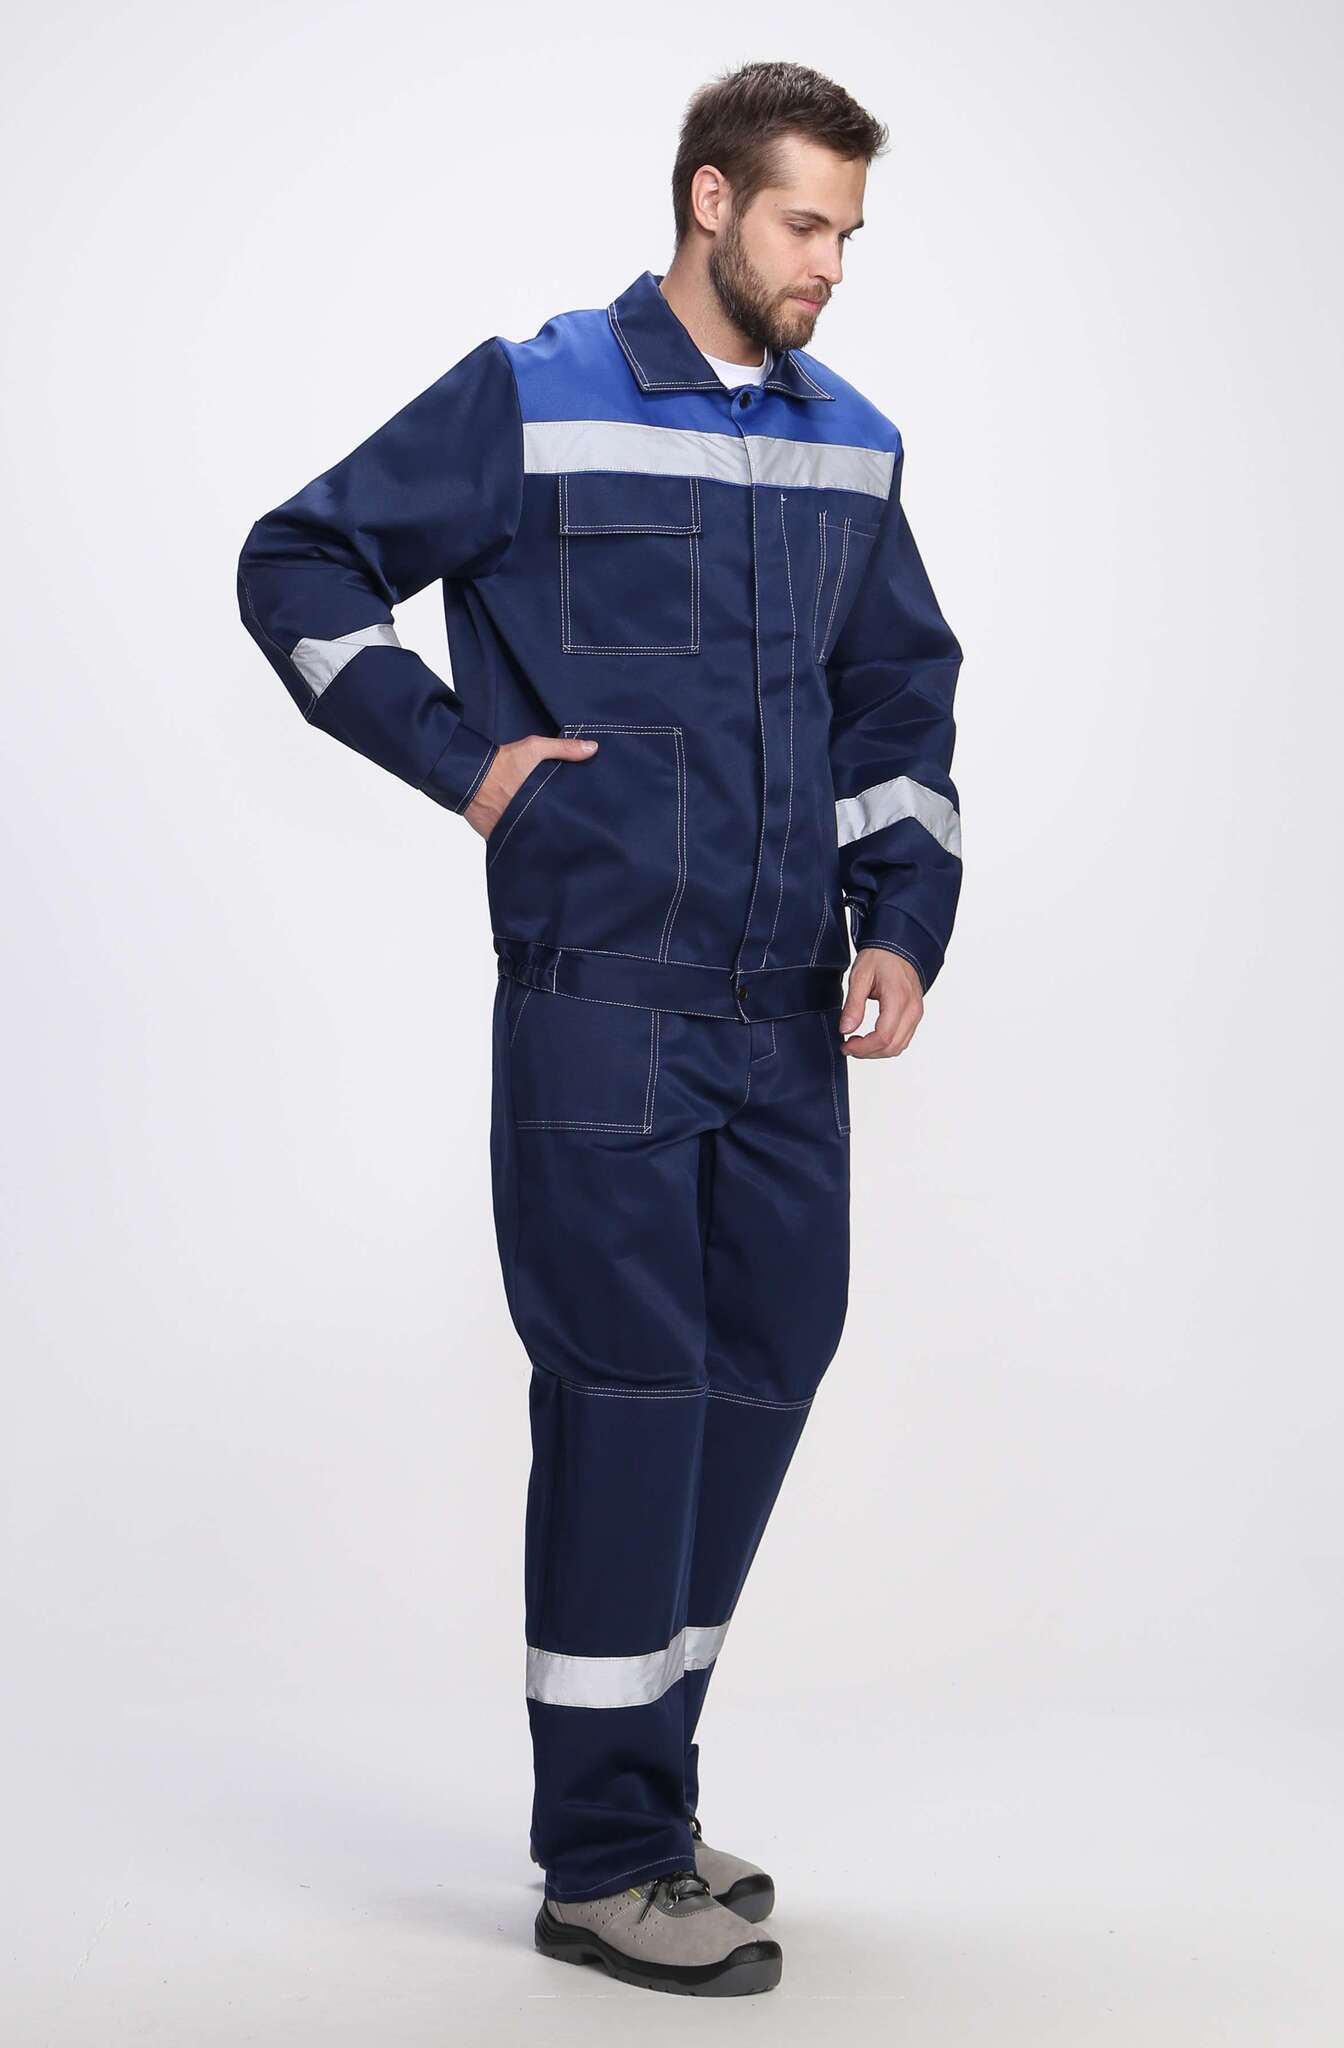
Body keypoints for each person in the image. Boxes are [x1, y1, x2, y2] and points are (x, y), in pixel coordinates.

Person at [236, 58, 963, 1999]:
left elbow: (897, 697)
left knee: (766, 1369)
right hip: (603, 1010)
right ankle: (606, 1859)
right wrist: (464, 764)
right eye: (805, 225)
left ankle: (644, 1783)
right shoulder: (536, 395)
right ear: (711, 200)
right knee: (630, 1399)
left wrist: (905, 917)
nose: (831, 266)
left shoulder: (851, 442)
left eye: (850, 235)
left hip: (783, 1017)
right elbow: (296, 563)